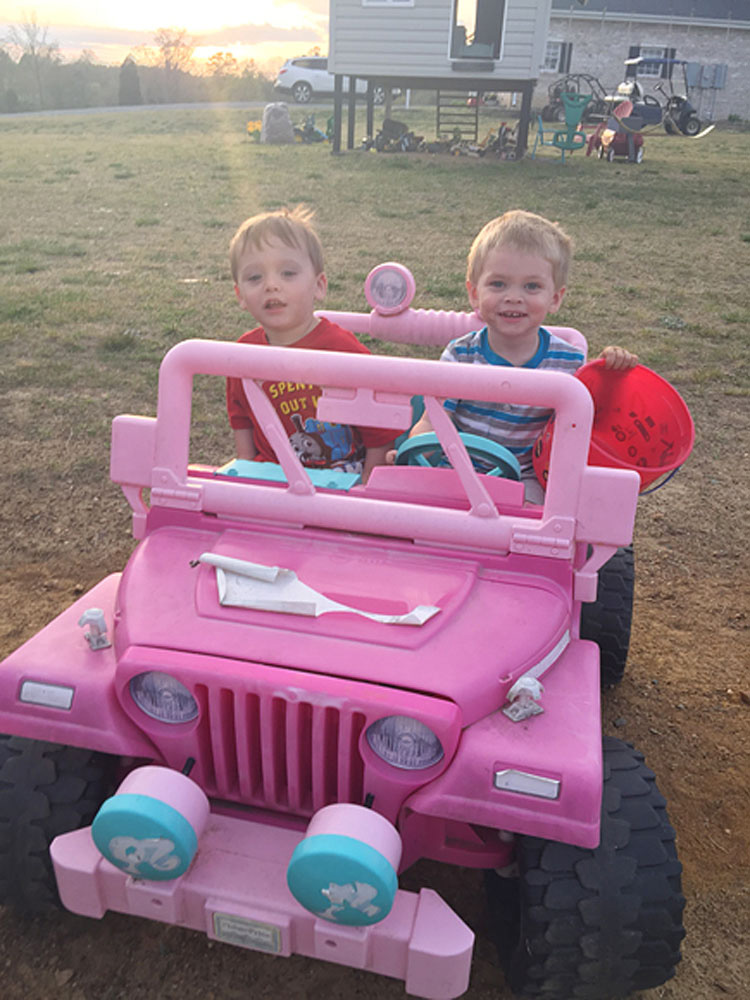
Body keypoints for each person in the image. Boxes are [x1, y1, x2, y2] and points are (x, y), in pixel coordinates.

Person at [399, 209, 637, 502]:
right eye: (498, 284)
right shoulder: (460, 355)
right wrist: (415, 450)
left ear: (555, 298)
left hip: (526, 476)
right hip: (455, 469)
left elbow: (598, 423)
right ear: (474, 294)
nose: (514, 296)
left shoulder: (570, 364)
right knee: (420, 521)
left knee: (540, 521)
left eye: (532, 286)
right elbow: (433, 421)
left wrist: (611, 374)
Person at [225, 206, 395, 480]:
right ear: (240, 294)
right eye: (255, 277)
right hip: (273, 479)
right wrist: (245, 473)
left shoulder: (345, 351)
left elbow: (380, 436)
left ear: (319, 286)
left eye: (288, 273)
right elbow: (242, 421)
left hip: (342, 480)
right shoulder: (242, 355)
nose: (271, 285)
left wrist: (366, 494)